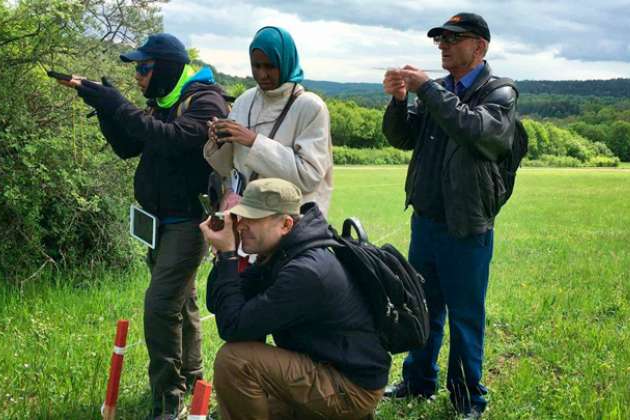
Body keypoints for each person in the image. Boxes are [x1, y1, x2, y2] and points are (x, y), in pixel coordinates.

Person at [57, 33, 228, 419]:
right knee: (181, 305)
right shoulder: (162, 102)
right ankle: (192, 380)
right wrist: (103, 107)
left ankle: (167, 401)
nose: (138, 75)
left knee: (159, 305)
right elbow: (128, 146)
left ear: (165, 67)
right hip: (159, 221)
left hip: (188, 221)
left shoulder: (204, 100)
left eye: (144, 67)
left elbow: (172, 140)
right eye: (136, 68)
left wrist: (116, 103)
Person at [381, 12, 517, 418]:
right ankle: (418, 380)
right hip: (425, 220)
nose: (443, 45)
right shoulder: (436, 91)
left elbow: (477, 132)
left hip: (467, 224)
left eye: (453, 39)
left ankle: (467, 397)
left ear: (479, 47)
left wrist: (426, 91)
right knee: (421, 305)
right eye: (440, 39)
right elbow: (401, 138)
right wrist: (400, 100)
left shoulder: (501, 93)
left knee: (464, 315)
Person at [200, 178, 390, 420]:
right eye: (240, 217)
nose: (241, 226)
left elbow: (233, 326)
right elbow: (217, 303)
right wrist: (223, 256)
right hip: (324, 367)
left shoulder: (304, 272)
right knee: (238, 397)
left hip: (350, 388)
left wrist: (228, 256)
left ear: (286, 224)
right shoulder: (283, 251)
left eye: (253, 219)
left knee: (235, 361)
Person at [204, 26, 333, 214]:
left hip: (287, 224)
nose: (262, 74)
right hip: (243, 220)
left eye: (270, 66)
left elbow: (309, 177)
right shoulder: (243, 101)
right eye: (256, 66)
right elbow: (229, 170)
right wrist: (219, 141)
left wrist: (253, 141)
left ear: (286, 62)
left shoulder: (310, 107)